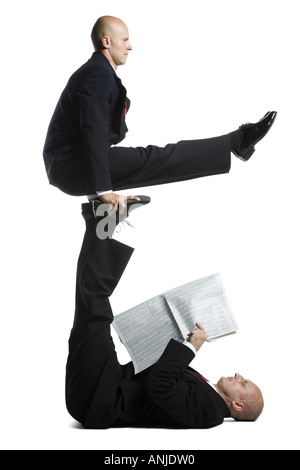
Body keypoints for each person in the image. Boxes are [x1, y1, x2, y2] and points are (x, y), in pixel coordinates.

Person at [43, 15, 277, 215]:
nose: (130, 46)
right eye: (124, 40)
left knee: (149, 160)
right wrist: (103, 190)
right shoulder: (97, 73)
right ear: (107, 41)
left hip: (70, 165)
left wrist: (96, 192)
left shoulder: (98, 72)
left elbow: (99, 130)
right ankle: (237, 141)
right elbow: (93, 130)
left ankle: (100, 228)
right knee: (154, 158)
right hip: (71, 165)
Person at [65, 202, 264, 429]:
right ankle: (96, 219)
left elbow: (159, 385)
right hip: (107, 382)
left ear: (238, 405)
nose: (239, 375)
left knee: (93, 301)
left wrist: (191, 348)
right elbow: (163, 377)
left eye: (244, 383)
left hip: (99, 398)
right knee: (88, 301)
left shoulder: (209, 413)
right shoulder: (208, 394)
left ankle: (103, 220)